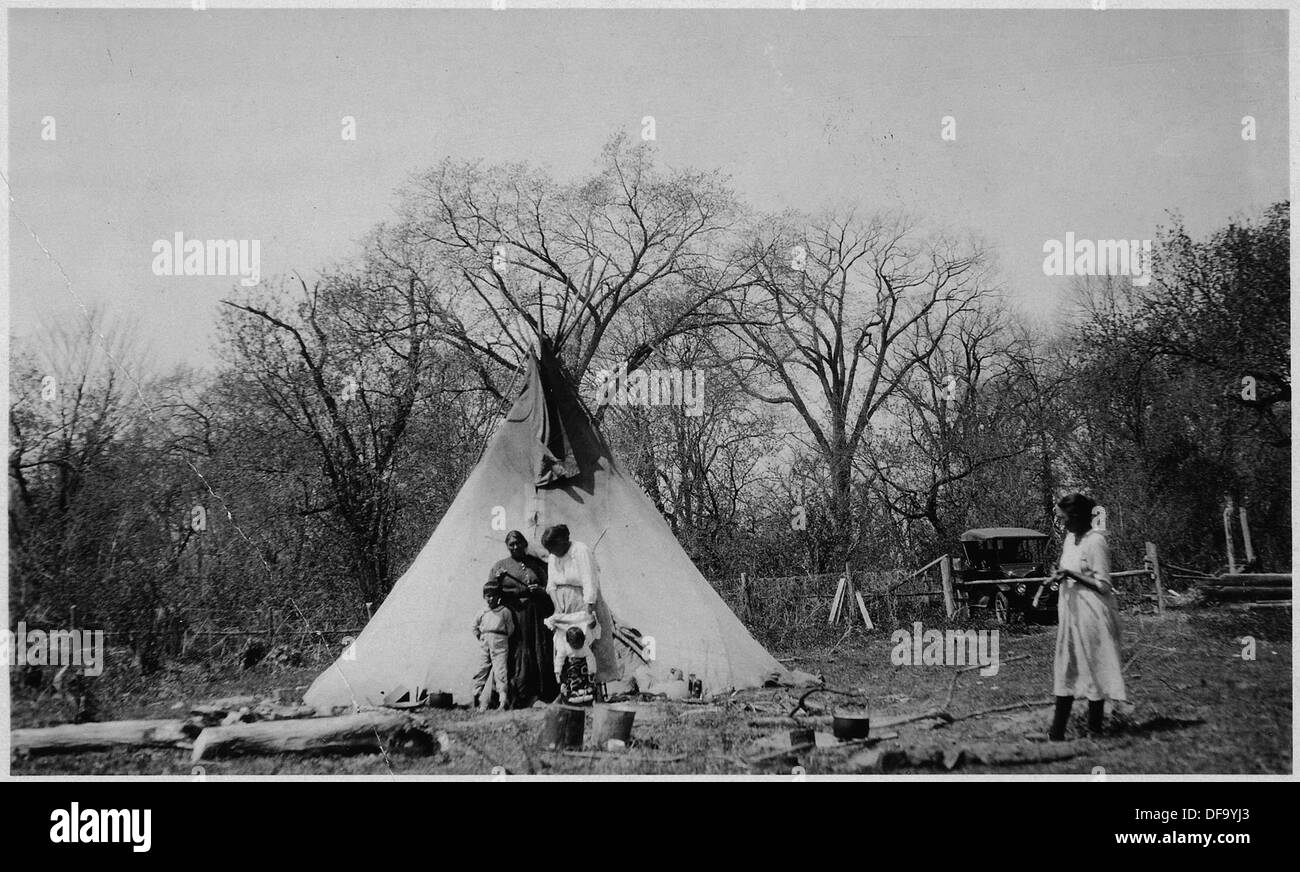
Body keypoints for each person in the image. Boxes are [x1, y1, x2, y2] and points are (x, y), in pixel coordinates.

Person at [1048, 492, 1126, 740]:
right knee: (1065, 667)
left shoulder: (1096, 542)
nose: (1061, 524)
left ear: (1076, 516)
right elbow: (1068, 570)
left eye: (1063, 518)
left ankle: (1095, 730)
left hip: (1092, 613)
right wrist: (1060, 574)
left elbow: (1103, 584)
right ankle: (1056, 733)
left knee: (1093, 667)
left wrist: (1071, 575)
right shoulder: (1070, 540)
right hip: (1071, 612)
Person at [541, 524, 617, 695]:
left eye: (553, 548)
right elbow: (551, 584)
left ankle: (593, 688)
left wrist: (589, 612)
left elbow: (590, 581)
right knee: (565, 644)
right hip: (562, 603)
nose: (551, 552)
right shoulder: (554, 555)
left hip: (582, 600)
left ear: (563, 541)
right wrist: (557, 606)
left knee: (587, 641)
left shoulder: (580, 550)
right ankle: (570, 689)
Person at [490, 530, 557, 706]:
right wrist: (498, 580)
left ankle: (543, 694)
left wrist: (540, 590)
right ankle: (519, 696)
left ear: (525, 544)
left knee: (539, 650)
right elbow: (490, 591)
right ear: (507, 547)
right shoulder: (500, 566)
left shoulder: (536, 564)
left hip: (536, 615)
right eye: (511, 544)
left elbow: (550, 586)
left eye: (518, 543)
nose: (515, 547)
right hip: (514, 616)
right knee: (518, 652)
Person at [471, 581, 516, 712]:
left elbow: (511, 628)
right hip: (485, 642)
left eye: (493, 596)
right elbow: (474, 627)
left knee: (500, 671)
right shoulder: (482, 612)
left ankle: (503, 700)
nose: (491, 599)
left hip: (500, 643)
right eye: (488, 596)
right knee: (482, 668)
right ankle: (477, 696)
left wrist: (501, 638)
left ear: (499, 597)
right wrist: (481, 636)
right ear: (484, 597)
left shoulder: (504, 611)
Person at [555, 625, 598, 706]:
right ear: (569, 642)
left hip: (582, 669)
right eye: (576, 645)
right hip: (570, 670)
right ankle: (571, 694)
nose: (579, 646)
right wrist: (558, 671)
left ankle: (585, 693)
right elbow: (559, 659)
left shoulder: (584, 647)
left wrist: (591, 671)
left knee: (586, 679)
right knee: (569, 679)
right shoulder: (564, 647)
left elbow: (590, 658)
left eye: (581, 643)